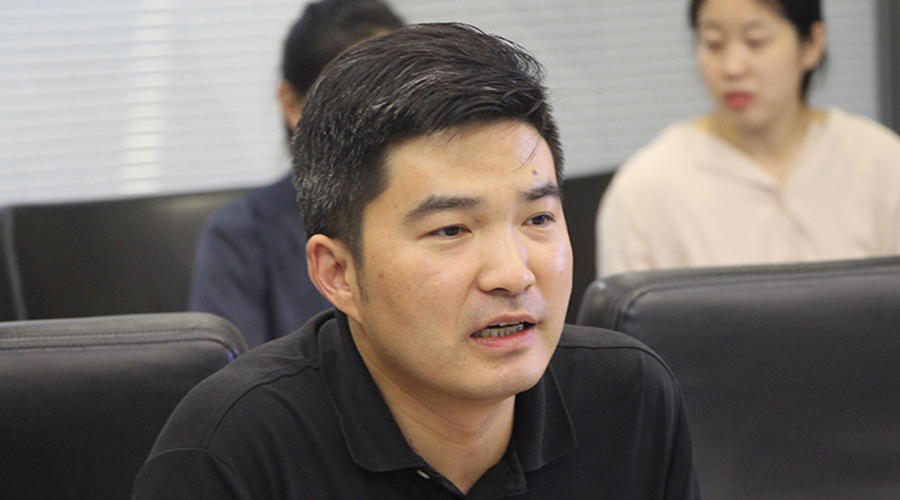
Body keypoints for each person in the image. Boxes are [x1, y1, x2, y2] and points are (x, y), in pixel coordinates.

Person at [133, 23, 699, 499]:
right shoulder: (230, 453)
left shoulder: (629, 399)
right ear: (338, 273)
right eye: (451, 229)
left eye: (537, 219)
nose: (513, 274)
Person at [596, 0, 900, 277]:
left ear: (812, 44)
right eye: (713, 43)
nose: (732, 67)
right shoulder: (644, 189)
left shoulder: (879, 161)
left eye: (756, 41)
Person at [188, 0, 404, 348]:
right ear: (292, 103)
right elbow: (231, 373)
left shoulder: (447, 213)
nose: (380, 120)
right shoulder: (241, 234)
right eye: (353, 100)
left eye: (398, 95)